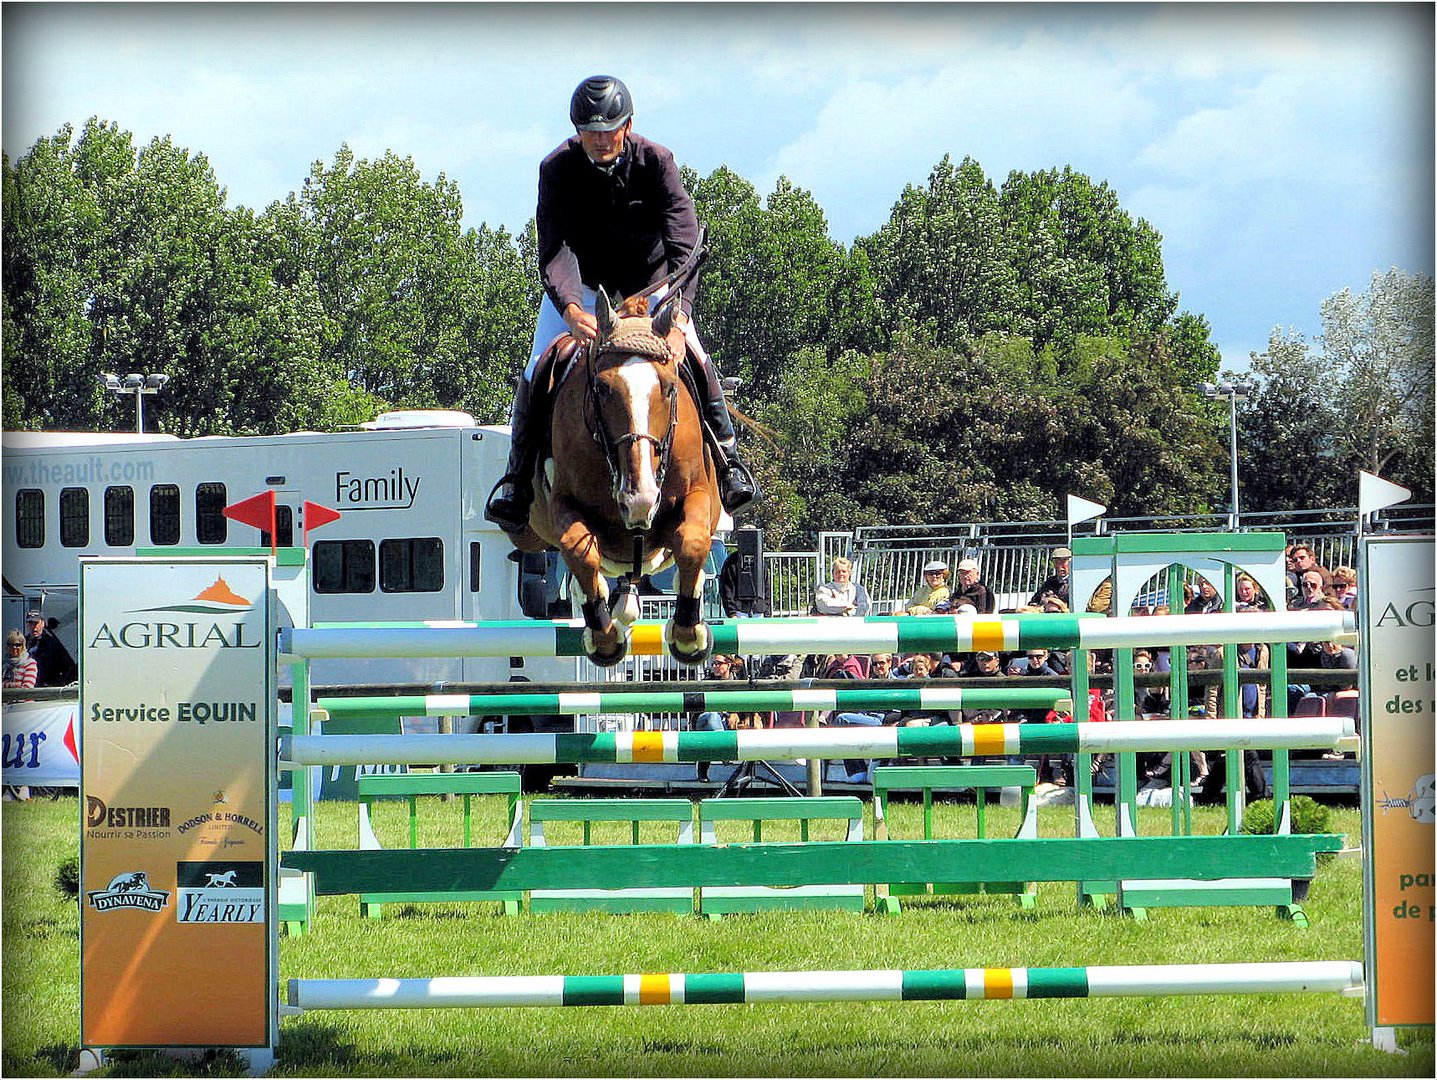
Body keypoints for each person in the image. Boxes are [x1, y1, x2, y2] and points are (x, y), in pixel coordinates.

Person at [485, 75, 757, 533]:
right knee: (536, 370)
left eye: (607, 129)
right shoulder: (556, 169)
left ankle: (728, 463)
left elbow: (685, 245)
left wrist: (678, 316)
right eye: (588, 130)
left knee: (695, 355)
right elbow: (554, 249)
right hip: (585, 293)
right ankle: (517, 480)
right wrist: (571, 308)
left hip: (652, 290)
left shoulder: (657, 161)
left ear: (627, 125)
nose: (598, 139)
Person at [25, 611, 76, 687]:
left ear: (42, 623)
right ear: (27, 625)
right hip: (27, 687)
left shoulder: (52, 643)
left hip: (45, 689)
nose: (33, 627)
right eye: (30, 623)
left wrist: (57, 684)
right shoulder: (22, 642)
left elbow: (69, 666)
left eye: (36, 623)